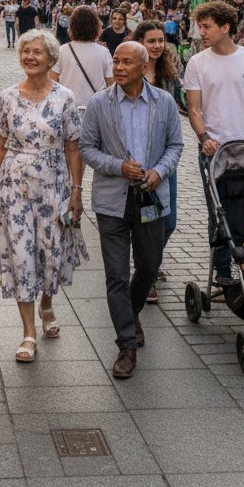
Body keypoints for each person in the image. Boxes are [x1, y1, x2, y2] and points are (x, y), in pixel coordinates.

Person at [79, 41, 183, 379]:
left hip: (151, 199)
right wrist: (117, 166)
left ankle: (131, 310)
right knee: (116, 275)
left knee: (150, 266)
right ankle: (126, 344)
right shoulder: (99, 103)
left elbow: (175, 145)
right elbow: (86, 148)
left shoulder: (164, 102)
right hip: (112, 200)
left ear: (143, 66)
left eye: (126, 62)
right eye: (116, 61)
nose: (119, 67)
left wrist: (159, 171)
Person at [0, 29, 85, 362]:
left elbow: (74, 147)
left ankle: (47, 302)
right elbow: (1, 145)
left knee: (49, 252)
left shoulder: (65, 97)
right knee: (21, 255)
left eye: (37, 53)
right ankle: (28, 333)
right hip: (14, 186)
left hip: (53, 183)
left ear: (50, 59)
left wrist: (76, 190)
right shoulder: (7, 96)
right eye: (25, 52)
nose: (30, 57)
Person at [184, 1, 244, 290]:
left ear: (225, 28)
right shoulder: (197, 62)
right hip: (214, 149)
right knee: (217, 211)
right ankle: (222, 271)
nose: (201, 32)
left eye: (207, 26)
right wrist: (204, 138)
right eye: (200, 26)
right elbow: (193, 108)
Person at [131, 20, 186, 303]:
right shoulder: (129, 71)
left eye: (160, 40)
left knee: (169, 221)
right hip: (135, 160)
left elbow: (184, 101)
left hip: (165, 160)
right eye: (151, 41)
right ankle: (147, 273)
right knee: (144, 219)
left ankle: (149, 262)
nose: (156, 46)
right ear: (139, 41)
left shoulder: (168, 72)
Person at [51, 6, 114, 110]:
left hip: (68, 106)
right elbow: (110, 83)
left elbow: (52, 81)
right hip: (95, 107)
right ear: (96, 26)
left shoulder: (62, 50)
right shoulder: (104, 52)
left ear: (72, 25)